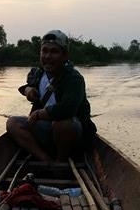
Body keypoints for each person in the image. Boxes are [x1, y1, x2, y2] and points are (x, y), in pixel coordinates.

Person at [6, 29, 97, 162]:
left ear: (65, 55)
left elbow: (67, 109)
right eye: (45, 51)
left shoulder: (74, 79)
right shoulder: (38, 73)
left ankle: (60, 163)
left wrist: (38, 114)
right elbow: (27, 86)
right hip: (46, 128)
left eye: (54, 52)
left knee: (63, 123)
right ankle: (45, 159)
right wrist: (28, 90)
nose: (47, 56)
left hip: (72, 133)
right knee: (12, 123)